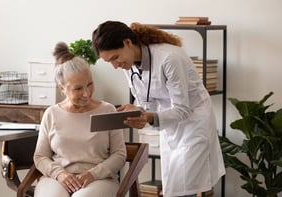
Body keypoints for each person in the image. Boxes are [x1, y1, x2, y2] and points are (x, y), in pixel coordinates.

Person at [92, 21, 226, 197]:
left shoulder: (170, 58)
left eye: (115, 57)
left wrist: (147, 117)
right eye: (109, 61)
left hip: (193, 124)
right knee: (175, 187)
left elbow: (182, 109)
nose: (115, 65)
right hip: (169, 126)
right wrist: (136, 110)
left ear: (128, 43)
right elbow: (148, 103)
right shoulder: (129, 66)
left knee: (185, 186)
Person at [33, 41, 127, 197]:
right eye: (78, 88)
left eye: (89, 84)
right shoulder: (51, 114)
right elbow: (40, 156)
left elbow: (119, 155)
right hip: (57, 179)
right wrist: (60, 174)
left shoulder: (107, 110)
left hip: (99, 180)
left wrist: (92, 174)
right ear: (61, 88)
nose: (86, 93)